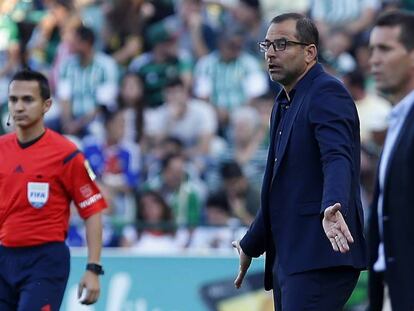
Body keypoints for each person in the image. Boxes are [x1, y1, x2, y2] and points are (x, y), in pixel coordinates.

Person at [232, 13, 366, 310]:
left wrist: (334, 204)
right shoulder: (283, 102)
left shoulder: (327, 92)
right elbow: (278, 187)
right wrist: (250, 244)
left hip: (320, 252)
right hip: (291, 257)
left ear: (310, 52)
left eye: (281, 44)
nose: (270, 53)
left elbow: (337, 157)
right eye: (267, 45)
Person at [0, 69, 107, 309]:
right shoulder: (1, 149)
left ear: (46, 105)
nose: (18, 107)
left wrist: (93, 268)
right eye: (13, 99)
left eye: (28, 100)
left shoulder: (66, 154)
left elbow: (92, 211)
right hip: (3, 256)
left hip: (44, 261)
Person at [367, 10, 414, 311]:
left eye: (385, 49)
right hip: (390, 287)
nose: (373, 60)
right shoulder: (397, 120)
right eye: (371, 50)